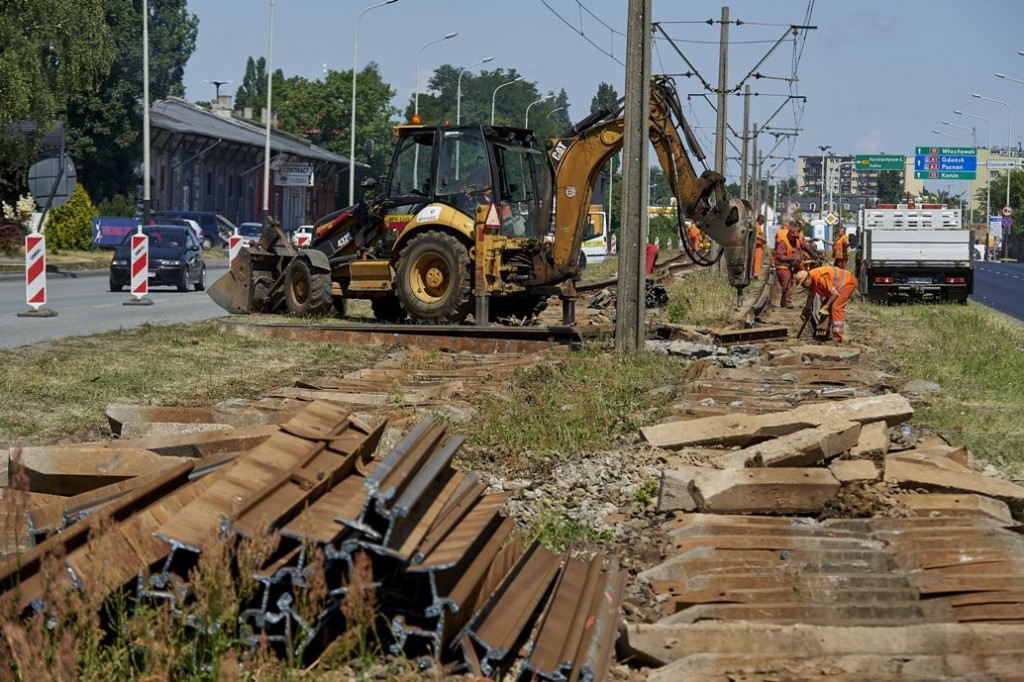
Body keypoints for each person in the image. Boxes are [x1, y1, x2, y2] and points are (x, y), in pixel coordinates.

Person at [794, 265, 858, 343]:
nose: (803, 286)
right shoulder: (811, 281)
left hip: (848, 282)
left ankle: (838, 337)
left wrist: (826, 306)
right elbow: (810, 297)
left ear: (808, 278)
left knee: (836, 307)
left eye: (803, 284)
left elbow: (834, 294)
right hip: (837, 288)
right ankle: (825, 333)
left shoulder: (820, 278)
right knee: (824, 306)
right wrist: (806, 310)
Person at [773, 221, 804, 307]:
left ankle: (785, 302)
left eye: (796, 237)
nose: (795, 239)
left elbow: (803, 246)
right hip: (782, 266)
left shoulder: (793, 241)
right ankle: (785, 302)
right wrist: (790, 259)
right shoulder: (783, 242)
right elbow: (779, 255)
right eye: (794, 237)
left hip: (788, 266)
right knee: (787, 283)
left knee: (791, 283)